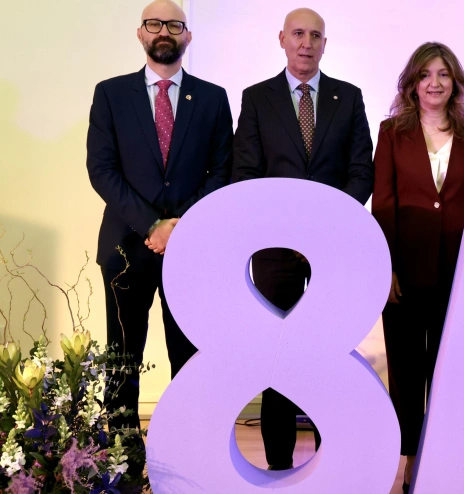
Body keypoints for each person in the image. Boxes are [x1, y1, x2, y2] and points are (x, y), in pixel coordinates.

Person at [230, 8, 373, 471]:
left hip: (333, 248)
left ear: (325, 44)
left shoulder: (347, 98)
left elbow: (360, 170)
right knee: (279, 360)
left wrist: (325, 225)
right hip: (275, 252)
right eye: (298, 34)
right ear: (282, 40)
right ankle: (278, 466)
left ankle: (335, 464)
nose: (307, 43)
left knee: (331, 356)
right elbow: (247, 174)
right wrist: (288, 230)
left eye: (315, 35)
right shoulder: (257, 98)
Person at [86, 0, 232, 432]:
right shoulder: (111, 93)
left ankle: (188, 455)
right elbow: (102, 170)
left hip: (192, 252)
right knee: (122, 361)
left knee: (188, 360)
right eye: (154, 23)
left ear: (188, 35)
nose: (163, 30)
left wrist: (178, 226)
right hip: (125, 249)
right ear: (140, 33)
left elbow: (222, 171)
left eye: (174, 24)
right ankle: (121, 463)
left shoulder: (212, 97)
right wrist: (153, 225)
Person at [372, 42, 464, 493]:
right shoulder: (391, 132)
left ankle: (444, 466)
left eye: (443, 74)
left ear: (455, 83)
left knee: (451, 373)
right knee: (405, 374)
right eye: (426, 75)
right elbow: (383, 204)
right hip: (403, 276)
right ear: (412, 83)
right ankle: (407, 465)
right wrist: (386, 268)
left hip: (459, 277)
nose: (435, 83)